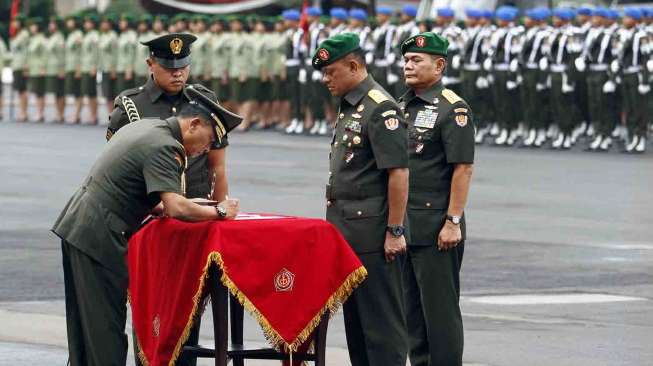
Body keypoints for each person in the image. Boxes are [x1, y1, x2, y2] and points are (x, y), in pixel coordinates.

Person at [52, 86, 241, 366]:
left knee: (85, 326)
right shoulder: (166, 146)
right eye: (209, 140)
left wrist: (203, 206)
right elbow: (175, 206)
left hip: (81, 227)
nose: (207, 148)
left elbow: (151, 199)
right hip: (98, 235)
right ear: (194, 124)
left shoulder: (149, 128)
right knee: (105, 330)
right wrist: (221, 212)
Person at [315, 33, 409, 366]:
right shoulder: (351, 104)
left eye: (331, 72)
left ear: (354, 65)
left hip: (373, 233)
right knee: (357, 326)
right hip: (348, 231)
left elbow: (397, 173)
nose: (326, 80)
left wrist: (395, 230)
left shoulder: (380, 107)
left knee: (381, 326)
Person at [398, 31, 474, 366]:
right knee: (411, 311)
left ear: (439, 66)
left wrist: (453, 221)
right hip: (405, 225)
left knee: (439, 312)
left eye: (417, 60)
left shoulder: (452, 109)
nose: (408, 66)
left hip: (437, 226)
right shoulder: (400, 107)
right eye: (406, 60)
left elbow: (463, 169)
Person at [619, 8, 650, 153]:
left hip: (636, 74)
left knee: (639, 108)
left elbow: (646, 59)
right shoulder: (624, 34)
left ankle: (641, 137)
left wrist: (644, 81)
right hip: (626, 75)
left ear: (635, 20)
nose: (624, 20)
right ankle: (633, 137)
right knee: (629, 108)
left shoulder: (641, 36)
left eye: (628, 18)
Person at [44, 16, 66, 123]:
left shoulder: (59, 38)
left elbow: (62, 54)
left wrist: (62, 69)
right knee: (56, 92)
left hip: (58, 68)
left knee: (60, 92)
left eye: (52, 24)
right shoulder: (52, 37)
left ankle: (61, 114)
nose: (50, 26)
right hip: (52, 69)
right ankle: (58, 113)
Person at [26, 17, 47, 122]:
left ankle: (40, 113)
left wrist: (43, 67)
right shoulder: (32, 39)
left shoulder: (41, 39)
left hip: (39, 69)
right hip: (33, 69)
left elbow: (44, 54)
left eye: (33, 26)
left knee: (40, 92)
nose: (31, 28)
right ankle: (39, 112)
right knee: (36, 92)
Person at [64, 15, 84, 124]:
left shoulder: (78, 34)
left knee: (77, 92)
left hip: (76, 67)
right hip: (70, 67)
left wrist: (79, 68)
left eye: (70, 21)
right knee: (74, 92)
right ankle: (76, 114)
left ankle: (76, 114)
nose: (68, 23)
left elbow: (80, 53)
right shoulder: (71, 35)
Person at [80, 14, 100, 124]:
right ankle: (91, 114)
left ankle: (94, 115)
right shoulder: (87, 35)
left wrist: (94, 67)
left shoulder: (94, 35)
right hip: (85, 67)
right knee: (88, 92)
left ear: (92, 24)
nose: (85, 24)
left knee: (92, 93)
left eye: (88, 22)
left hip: (90, 68)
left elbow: (96, 53)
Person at [10, 14, 30, 122]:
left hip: (22, 65)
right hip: (16, 65)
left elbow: (27, 51)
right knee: (20, 90)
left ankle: (24, 112)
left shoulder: (24, 34)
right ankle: (22, 111)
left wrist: (26, 66)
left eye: (15, 21)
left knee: (23, 90)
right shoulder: (18, 34)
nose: (13, 23)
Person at [98, 15, 119, 115]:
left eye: (105, 23)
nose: (103, 25)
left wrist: (114, 69)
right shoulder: (102, 36)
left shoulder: (113, 36)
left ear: (110, 25)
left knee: (113, 94)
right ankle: (110, 115)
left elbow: (115, 53)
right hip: (104, 68)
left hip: (111, 69)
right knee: (107, 94)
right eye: (102, 23)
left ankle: (114, 115)